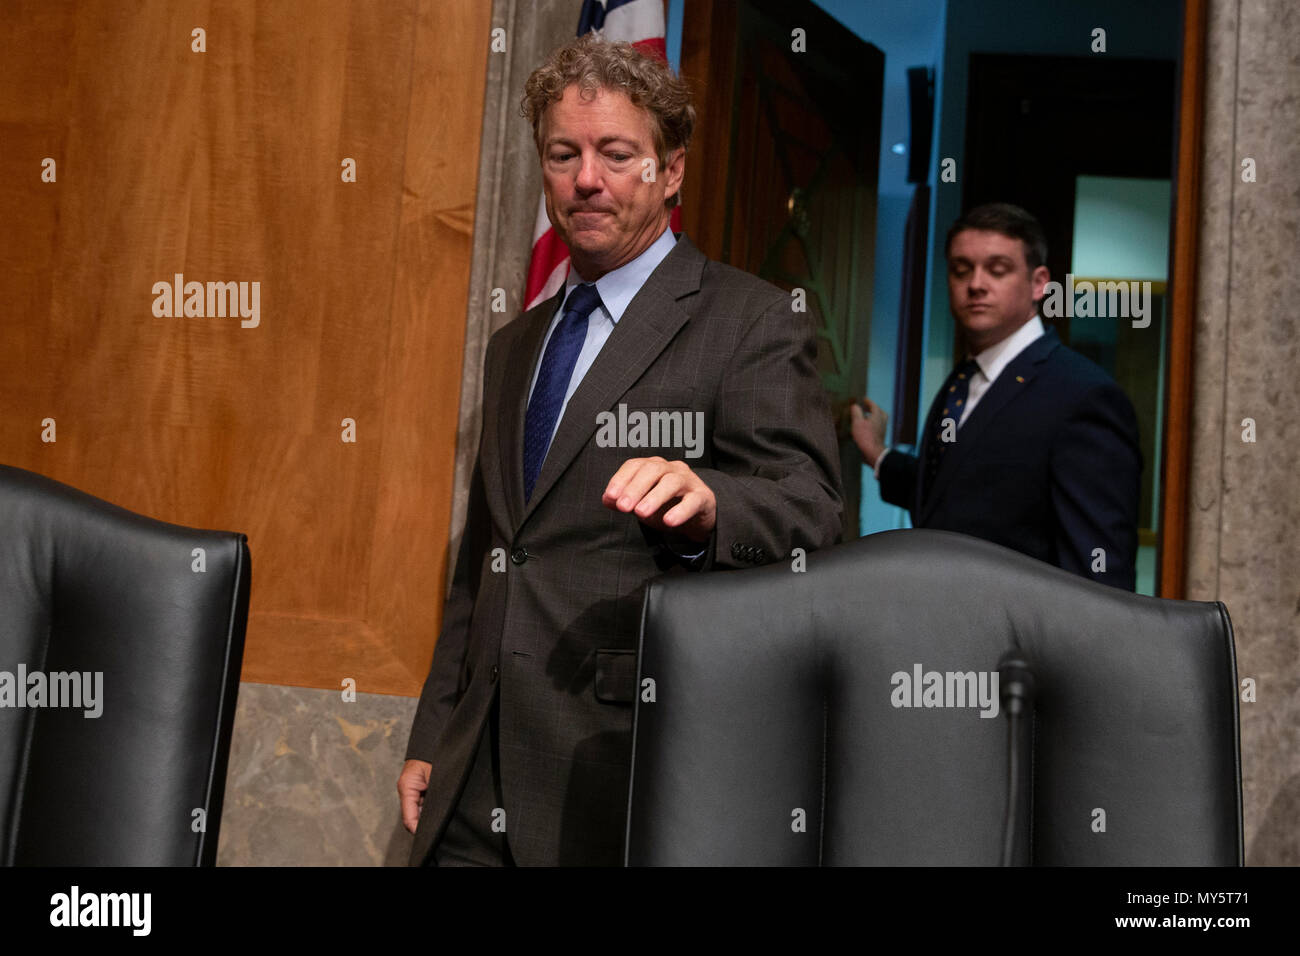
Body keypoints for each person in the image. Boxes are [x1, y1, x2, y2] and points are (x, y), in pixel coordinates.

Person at [397, 34, 843, 867]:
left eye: (616, 153)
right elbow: (490, 559)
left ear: (670, 172)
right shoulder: (514, 345)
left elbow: (814, 511)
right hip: (470, 777)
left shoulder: (748, 320)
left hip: (623, 774)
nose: (586, 179)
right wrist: (433, 731)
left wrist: (713, 505)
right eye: (563, 154)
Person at [851, 202, 1141, 590]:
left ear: (1039, 283)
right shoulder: (963, 379)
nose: (976, 284)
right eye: (961, 270)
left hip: (1018, 646)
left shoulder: (1083, 395)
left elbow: (1099, 578)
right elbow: (956, 491)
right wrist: (879, 455)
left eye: (998, 269)